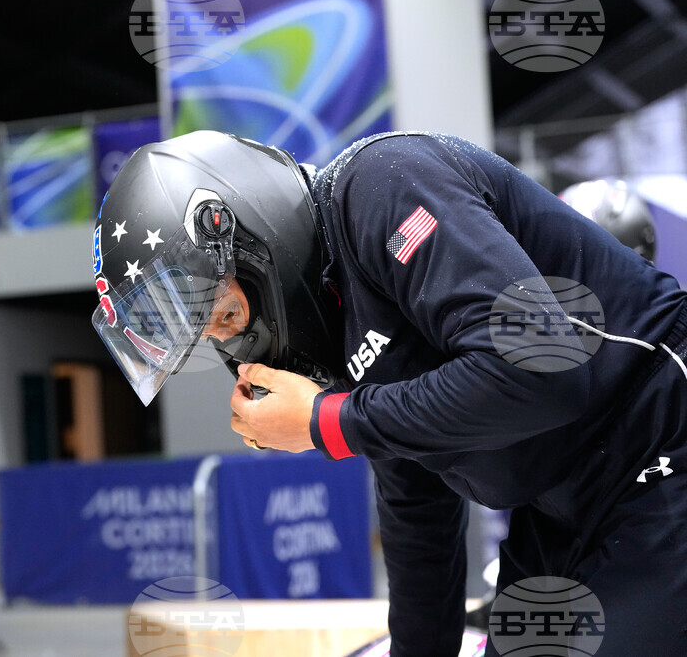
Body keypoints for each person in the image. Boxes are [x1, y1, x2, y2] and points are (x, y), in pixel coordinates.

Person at [91, 130, 687, 655]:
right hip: (563, 501)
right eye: (211, 332)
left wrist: (328, 423)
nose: (232, 342)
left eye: (224, 314)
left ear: (248, 238)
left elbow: (544, 373)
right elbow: (418, 508)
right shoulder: (329, 321)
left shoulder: (381, 185)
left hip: (661, 428)